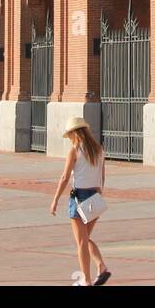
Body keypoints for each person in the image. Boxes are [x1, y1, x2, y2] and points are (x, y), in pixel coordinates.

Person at [50, 115, 111, 287]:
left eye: (70, 134)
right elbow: (102, 177)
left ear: (75, 133)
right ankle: (101, 266)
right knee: (84, 238)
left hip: (79, 197)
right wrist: (99, 194)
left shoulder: (75, 150)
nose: (69, 137)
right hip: (95, 197)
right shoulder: (99, 150)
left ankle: (86, 280)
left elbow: (64, 177)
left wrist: (54, 200)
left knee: (81, 241)